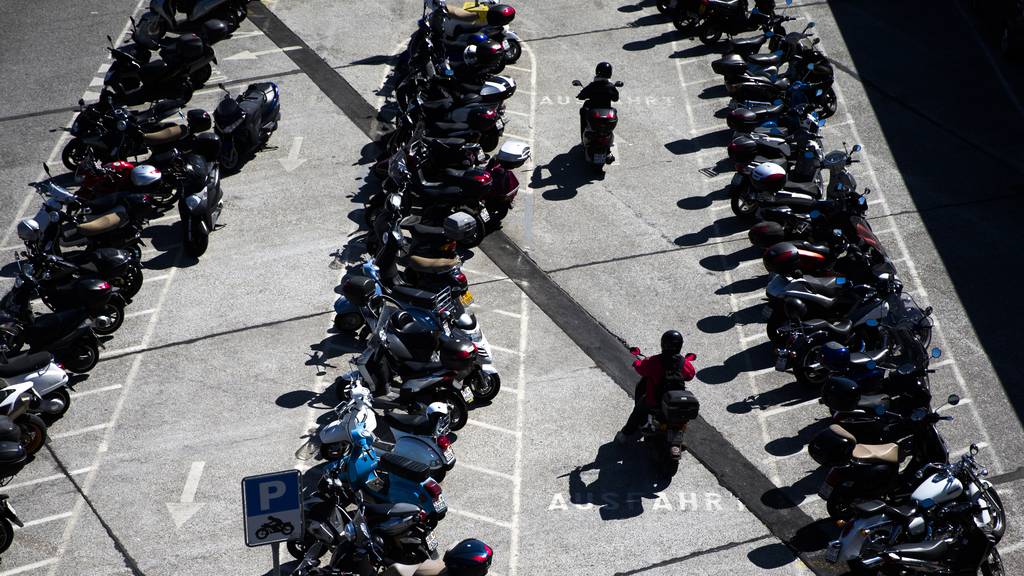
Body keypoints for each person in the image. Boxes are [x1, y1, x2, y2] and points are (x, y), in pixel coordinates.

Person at [615, 330, 696, 456]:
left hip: (654, 402)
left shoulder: (654, 361)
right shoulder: (683, 363)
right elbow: (690, 375)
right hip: (676, 403)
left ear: (663, 344)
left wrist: (636, 363)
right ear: (680, 345)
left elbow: (641, 368)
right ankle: (678, 437)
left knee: (638, 410)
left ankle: (625, 434)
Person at [575, 61, 620, 136]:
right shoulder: (610, 86)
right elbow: (616, 98)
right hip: (606, 110)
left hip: (593, 110)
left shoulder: (592, 86)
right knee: (614, 111)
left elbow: (582, 96)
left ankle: (583, 134)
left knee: (583, 111)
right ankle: (609, 133)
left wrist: (580, 95)